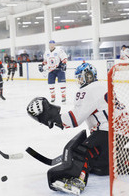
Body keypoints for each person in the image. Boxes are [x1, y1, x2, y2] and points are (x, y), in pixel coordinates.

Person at [27, 62, 108, 195]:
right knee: (98, 163)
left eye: (81, 77)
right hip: (120, 135)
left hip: (107, 133)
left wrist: (52, 118)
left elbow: (74, 119)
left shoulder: (89, 89)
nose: (79, 81)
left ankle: (78, 181)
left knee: (80, 152)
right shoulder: (103, 86)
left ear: (88, 76)